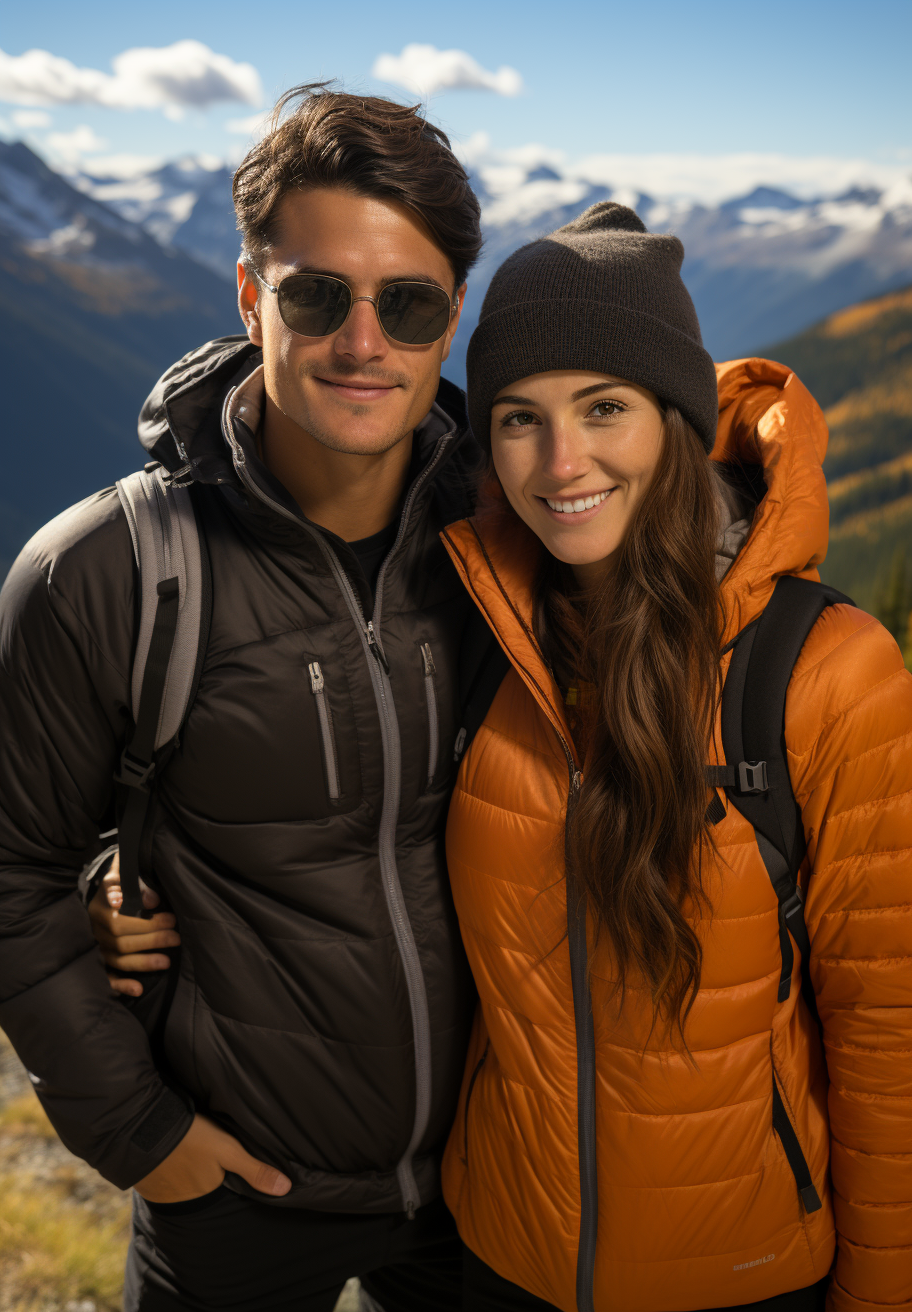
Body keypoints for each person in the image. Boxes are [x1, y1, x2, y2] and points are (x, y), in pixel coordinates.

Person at [0, 83, 487, 1312]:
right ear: (250, 293)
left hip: (496, 1181)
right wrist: (144, 1139)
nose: (363, 341)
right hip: (237, 1194)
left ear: (452, 319)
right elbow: (8, 870)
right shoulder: (106, 572)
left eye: (409, 304)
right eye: (318, 293)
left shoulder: (507, 544)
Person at [431, 204, 911, 1311]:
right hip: (502, 1259)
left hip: (743, 1278)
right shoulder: (481, 638)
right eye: (518, 418)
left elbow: (889, 1031)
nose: (561, 461)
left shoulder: (827, 672)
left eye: (605, 408)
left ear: (677, 419)